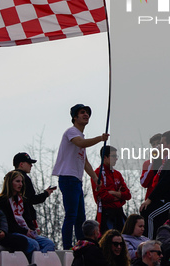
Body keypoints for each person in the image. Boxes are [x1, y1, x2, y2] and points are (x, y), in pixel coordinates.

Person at [52, 103, 109, 249]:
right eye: (82, 112)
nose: (86, 115)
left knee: (80, 218)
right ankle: (66, 247)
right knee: (71, 215)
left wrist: (95, 178)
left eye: (87, 113)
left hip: (76, 180)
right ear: (74, 117)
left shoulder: (80, 135)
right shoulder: (72, 132)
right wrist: (99, 139)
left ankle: (80, 245)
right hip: (68, 177)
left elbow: (84, 161)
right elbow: (80, 143)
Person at [0, 170, 55, 254]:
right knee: (33, 244)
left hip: (27, 231)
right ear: (9, 183)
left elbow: (28, 219)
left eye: (22, 182)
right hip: (13, 232)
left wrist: (32, 231)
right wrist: (24, 231)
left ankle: (38, 261)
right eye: (18, 181)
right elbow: (7, 222)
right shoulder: (1, 200)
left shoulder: (23, 200)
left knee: (49, 244)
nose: (21, 184)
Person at [13, 151, 55, 232]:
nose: (31, 165)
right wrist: (45, 194)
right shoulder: (24, 178)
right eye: (29, 163)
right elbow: (31, 199)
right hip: (25, 219)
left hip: (14, 219)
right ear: (21, 164)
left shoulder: (9, 178)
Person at [92, 145, 131, 233]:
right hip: (105, 214)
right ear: (105, 157)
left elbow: (128, 195)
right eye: (113, 156)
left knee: (124, 237)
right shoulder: (97, 174)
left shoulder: (117, 174)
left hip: (119, 212)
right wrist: (120, 197)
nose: (116, 159)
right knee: (108, 240)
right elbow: (103, 196)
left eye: (116, 156)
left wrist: (114, 193)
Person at [140, 134, 163, 201]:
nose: (156, 146)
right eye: (153, 144)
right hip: (151, 199)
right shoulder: (147, 163)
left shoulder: (168, 161)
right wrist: (153, 163)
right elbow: (143, 183)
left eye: (158, 143)